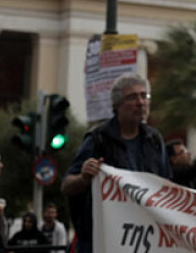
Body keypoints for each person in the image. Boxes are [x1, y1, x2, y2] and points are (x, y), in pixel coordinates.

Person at [63, 73, 172, 253]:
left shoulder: (154, 140)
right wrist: (83, 178)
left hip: (142, 240)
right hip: (101, 242)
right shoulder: (98, 139)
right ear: (117, 105)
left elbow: (166, 188)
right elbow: (67, 185)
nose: (141, 102)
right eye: (132, 97)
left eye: (144, 96)